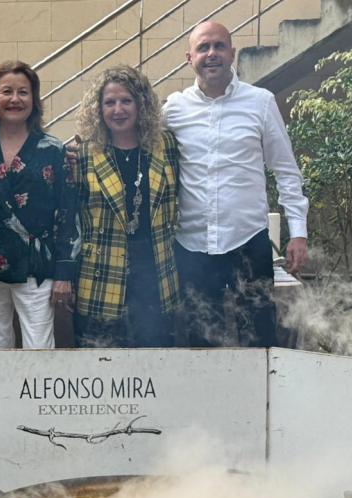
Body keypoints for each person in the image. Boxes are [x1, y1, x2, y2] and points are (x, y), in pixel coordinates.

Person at [163, 22, 309, 348]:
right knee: (202, 340)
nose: (211, 53)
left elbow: (286, 170)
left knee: (259, 334)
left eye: (218, 46)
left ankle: (258, 399)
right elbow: (137, 140)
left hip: (247, 243)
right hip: (192, 246)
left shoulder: (260, 102)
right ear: (189, 58)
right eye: (203, 47)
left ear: (232, 53)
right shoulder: (173, 109)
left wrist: (298, 232)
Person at [0, 61, 78, 349]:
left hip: (36, 271)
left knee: (39, 351)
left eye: (23, 92)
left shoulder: (53, 150)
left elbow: (68, 216)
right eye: (6, 91)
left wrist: (64, 275)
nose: (15, 99)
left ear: (34, 101)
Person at [71, 65, 182, 348]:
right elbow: (70, 217)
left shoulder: (165, 145)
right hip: (100, 273)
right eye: (110, 102)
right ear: (99, 109)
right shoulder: (83, 153)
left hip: (155, 270)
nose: (118, 109)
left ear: (140, 104)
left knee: (155, 360)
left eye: (126, 101)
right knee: (100, 366)